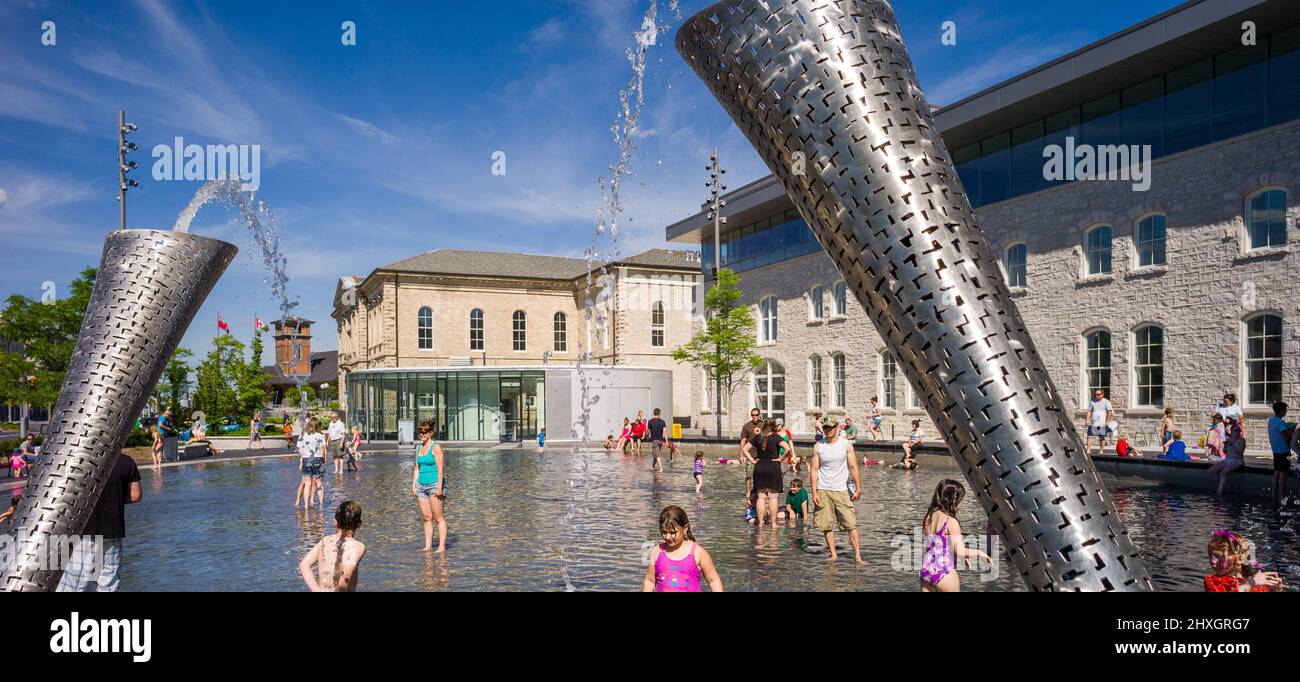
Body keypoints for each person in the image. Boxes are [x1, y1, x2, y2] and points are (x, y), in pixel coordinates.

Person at [56, 451, 142, 592]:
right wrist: (115, 499)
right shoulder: (126, 461)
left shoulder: (76, 461)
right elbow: (135, 495)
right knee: (107, 584)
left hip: (82, 533)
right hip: (113, 532)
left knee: (74, 584)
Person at [919, 479, 991, 592]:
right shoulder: (951, 521)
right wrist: (980, 553)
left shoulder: (929, 516)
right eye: (961, 500)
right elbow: (960, 551)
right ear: (953, 500)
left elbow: (938, 544)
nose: (962, 503)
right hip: (944, 572)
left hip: (926, 570)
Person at [810, 421, 863, 562]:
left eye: (831, 427)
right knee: (826, 525)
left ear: (837, 428)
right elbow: (814, 469)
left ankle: (858, 556)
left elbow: (853, 466)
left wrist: (858, 488)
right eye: (825, 427)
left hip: (842, 490)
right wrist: (814, 491)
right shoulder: (818, 446)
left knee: (851, 524)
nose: (828, 430)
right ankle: (833, 554)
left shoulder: (846, 444)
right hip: (823, 489)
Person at [642, 505, 723, 592]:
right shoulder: (657, 552)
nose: (668, 537)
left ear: (685, 528)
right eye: (664, 532)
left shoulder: (697, 552)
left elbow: (713, 580)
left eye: (672, 532)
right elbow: (650, 581)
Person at [299, 501, 367, 592]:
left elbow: (304, 565)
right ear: (360, 524)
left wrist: (315, 589)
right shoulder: (357, 546)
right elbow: (346, 577)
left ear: (335, 522)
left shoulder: (324, 541)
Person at [1203, 529, 1282, 592]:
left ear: (1240, 558)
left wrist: (1275, 589)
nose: (1212, 561)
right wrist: (1250, 583)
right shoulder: (1211, 582)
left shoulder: (1256, 583)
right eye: (1210, 556)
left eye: (1218, 556)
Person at [746, 419, 789, 528]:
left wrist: (753, 461)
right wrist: (780, 459)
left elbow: (745, 449)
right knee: (773, 498)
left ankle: (760, 524)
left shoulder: (758, 437)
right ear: (774, 426)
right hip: (773, 467)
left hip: (760, 467)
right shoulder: (776, 437)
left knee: (761, 497)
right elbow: (787, 449)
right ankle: (774, 524)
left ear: (763, 426)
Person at [412, 419, 447, 552]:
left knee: (438, 518)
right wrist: (414, 485)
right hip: (421, 485)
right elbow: (416, 468)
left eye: (424, 432)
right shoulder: (418, 448)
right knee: (427, 518)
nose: (421, 434)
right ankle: (428, 546)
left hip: (434, 485)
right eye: (419, 432)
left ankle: (441, 547)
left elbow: (440, 470)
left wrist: (439, 487)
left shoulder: (435, 447)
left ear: (430, 433)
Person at [1208, 418, 1247, 495]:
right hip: (1228, 460)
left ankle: (1219, 492)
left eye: (1238, 430)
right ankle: (1221, 485)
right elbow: (1225, 452)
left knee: (1224, 473)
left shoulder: (1242, 440)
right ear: (1232, 432)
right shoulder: (1229, 439)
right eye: (1236, 430)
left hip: (1237, 460)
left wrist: (1233, 444)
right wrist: (1225, 445)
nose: (1238, 432)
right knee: (1211, 471)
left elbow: (1240, 452)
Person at [294, 417, 326, 509]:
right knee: (319, 482)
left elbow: (300, 450)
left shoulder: (302, 435)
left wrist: (301, 461)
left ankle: (306, 506)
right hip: (317, 459)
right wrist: (323, 462)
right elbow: (322, 450)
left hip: (306, 459)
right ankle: (320, 505)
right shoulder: (319, 435)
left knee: (307, 484)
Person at [1267, 402, 1292, 509]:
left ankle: (1274, 496)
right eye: (1285, 409)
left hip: (1276, 450)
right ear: (1281, 410)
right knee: (1283, 475)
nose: (1286, 411)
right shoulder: (1281, 423)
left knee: (1276, 472)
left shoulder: (1271, 421)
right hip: (1284, 451)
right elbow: (1286, 438)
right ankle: (1282, 498)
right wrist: (1291, 432)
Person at [740, 407, 763, 497]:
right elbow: (743, 441)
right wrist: (741, 455)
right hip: (750, 454)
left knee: (761, 474)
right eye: (753, 415)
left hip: (761, 455)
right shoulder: (746, 426)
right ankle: (748, 492)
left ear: (759, 415)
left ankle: (759, 490)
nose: (754, 417)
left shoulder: (763, 425)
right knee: (749, 474)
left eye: (756, 415)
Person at [1084, 389, 1114, 456]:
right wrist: (1087, 420)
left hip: (1102, 423)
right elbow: (1089, 411)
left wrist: (1107, 421)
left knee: (1102, 437)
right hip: (1093, 422)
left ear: (1102, 394)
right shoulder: (1092, 402)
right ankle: (1088, 450)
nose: (1096, 395)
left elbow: (1110, 412)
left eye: (1098, 394)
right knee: (1089, 436)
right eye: (1095, 394)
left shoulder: (1107, 402)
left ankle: (1101, 450)